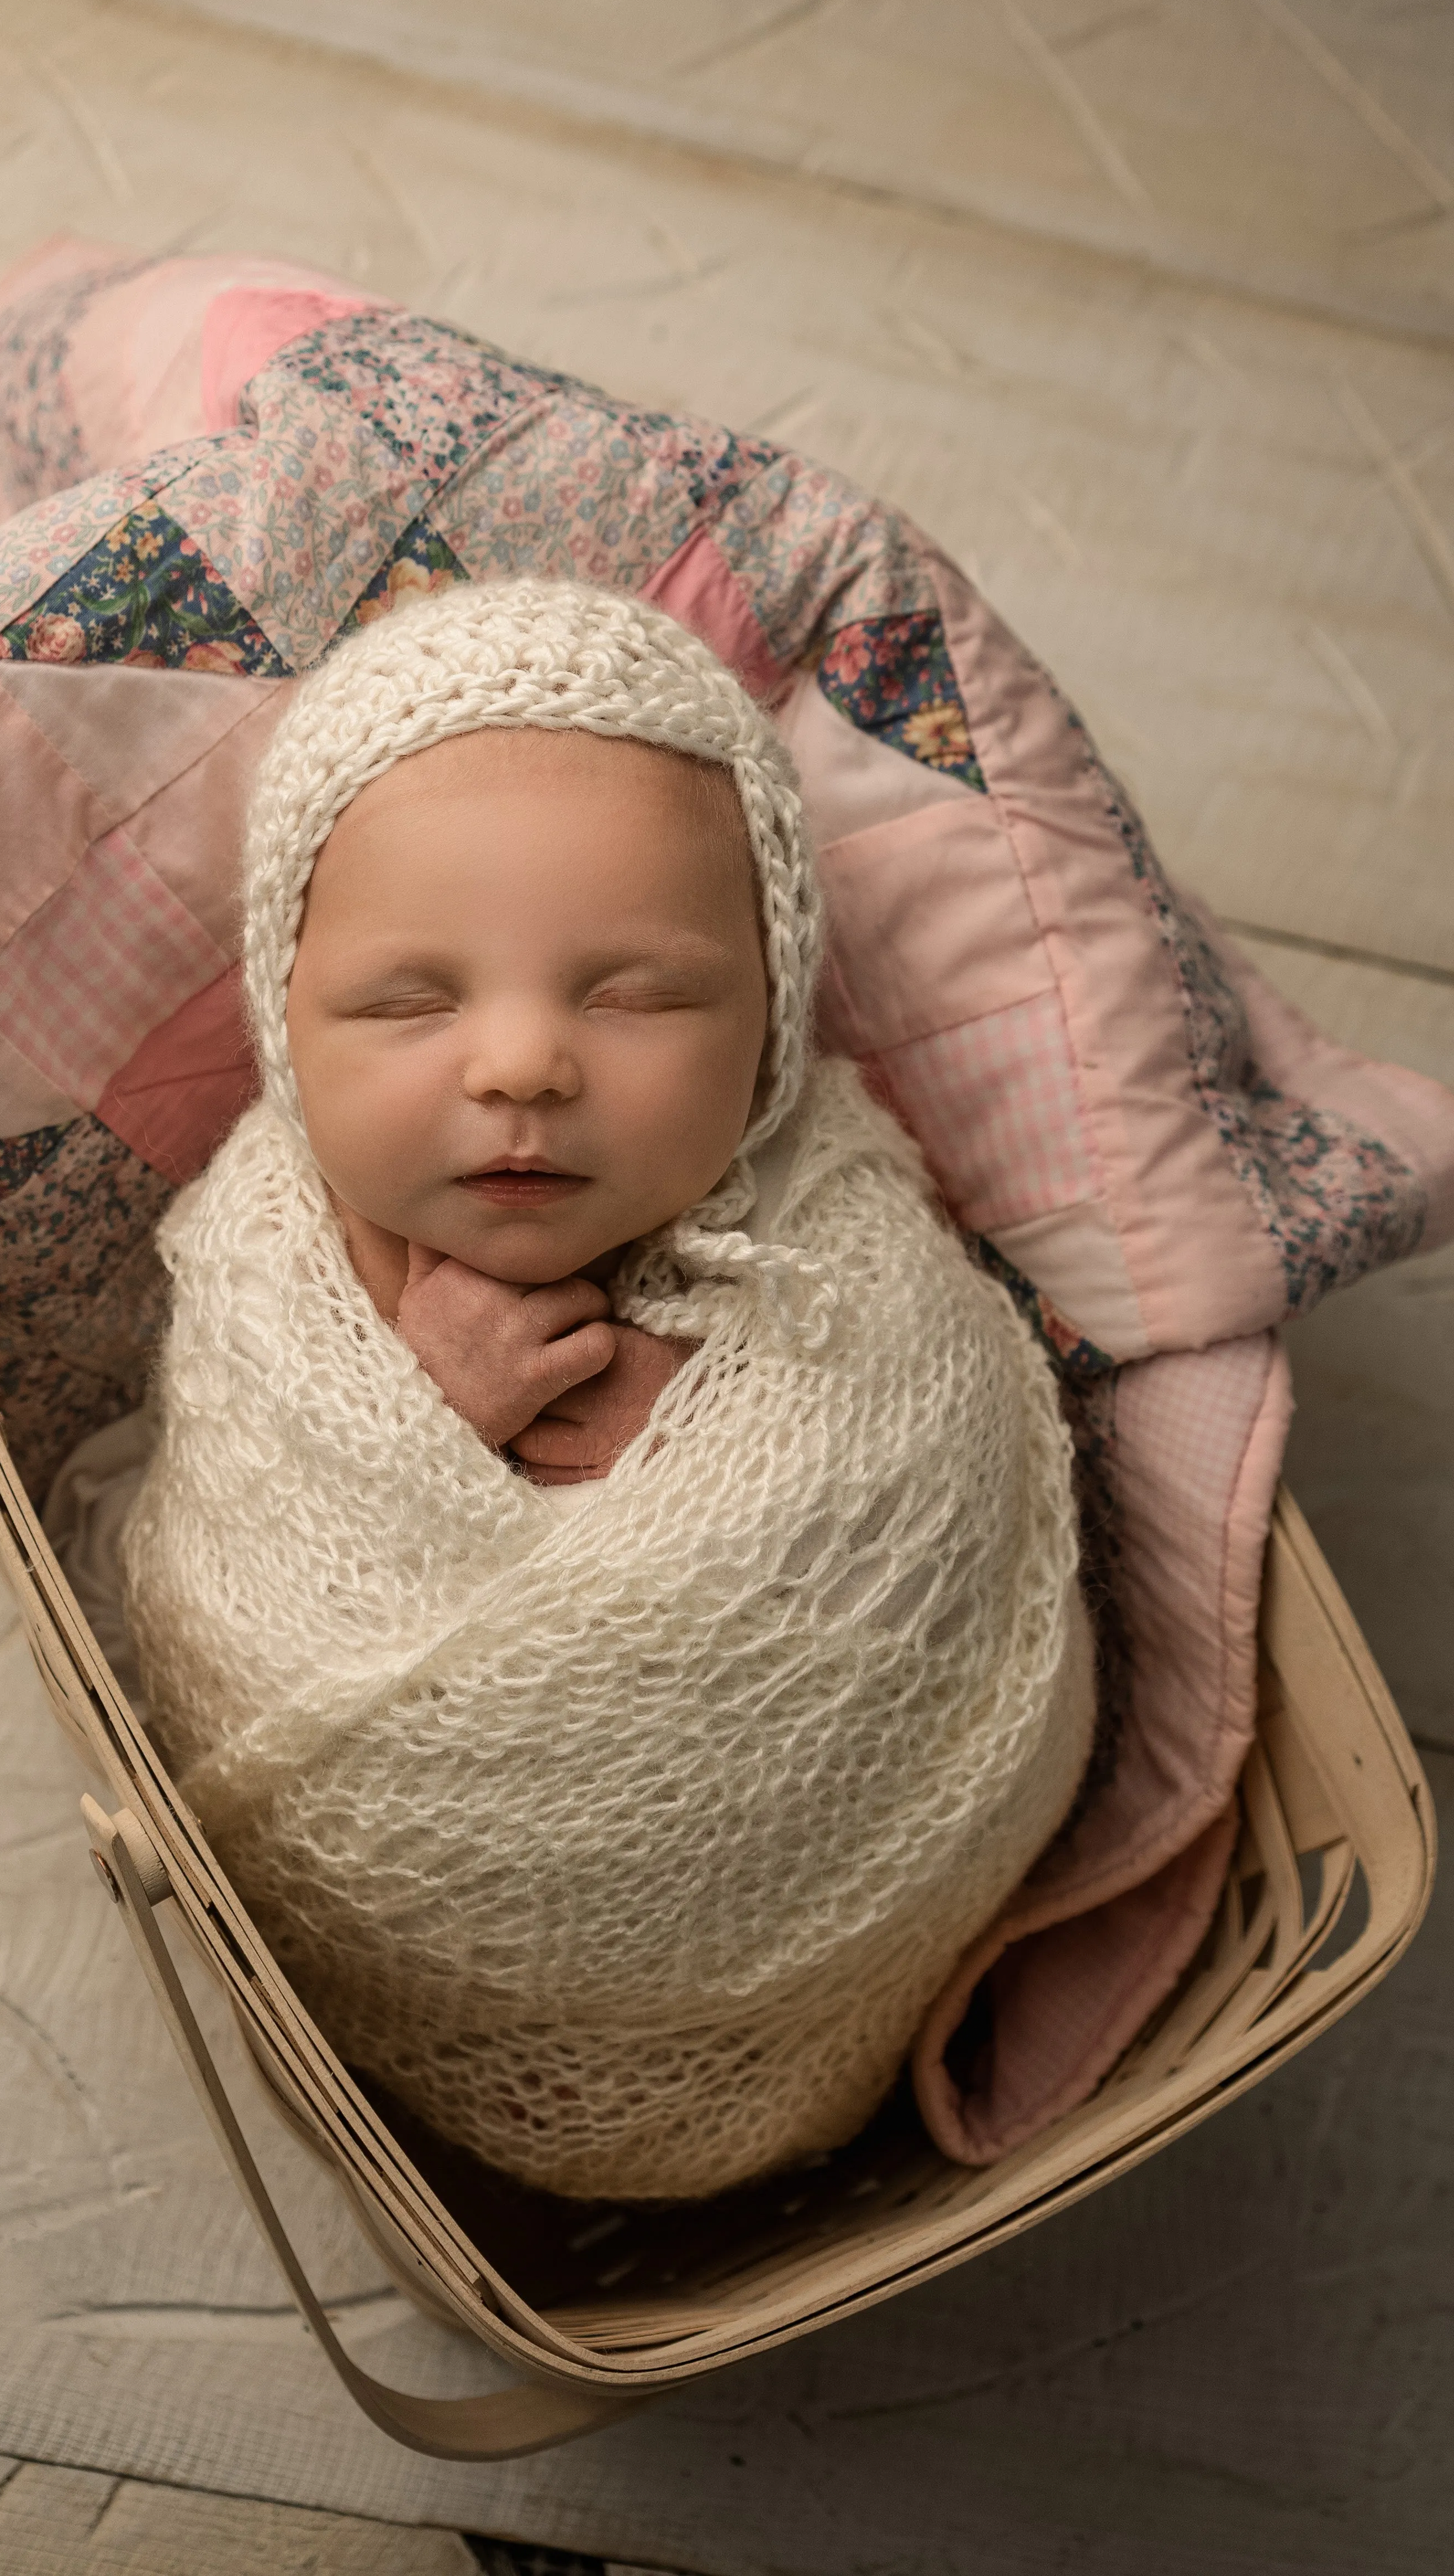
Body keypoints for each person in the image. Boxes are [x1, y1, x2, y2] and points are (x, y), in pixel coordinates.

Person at [122, 577, 1093, 2201]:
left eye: (636, 993)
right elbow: (260, 1521)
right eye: (408, 1001)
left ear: (773, 1017)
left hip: (831, 1870)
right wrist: (420, 1416)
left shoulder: (837, 1222)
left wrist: (726, 1448)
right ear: (287, 1026)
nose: (520, 1065)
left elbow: (929, 1473)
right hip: (440, 1895)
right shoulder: (279, 1256)